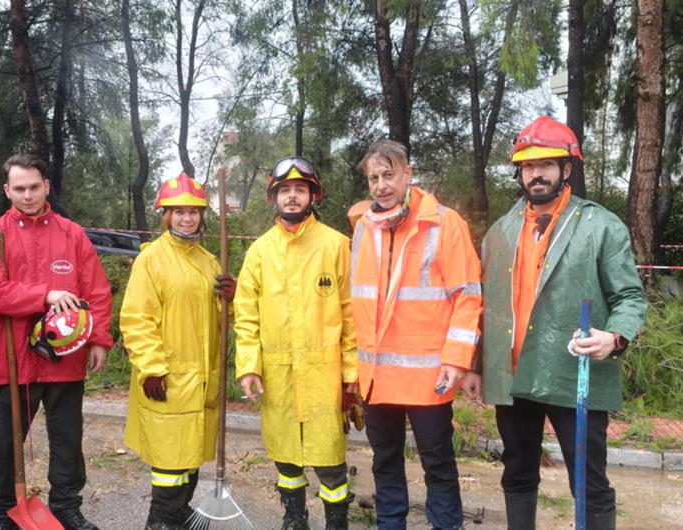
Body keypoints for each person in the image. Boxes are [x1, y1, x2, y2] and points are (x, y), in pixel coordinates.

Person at [462, 116, 647, 530]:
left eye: (546, 164)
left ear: (566, 169)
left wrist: (614, 336)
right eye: (528, 165)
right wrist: (475, 364)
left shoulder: (600, 225)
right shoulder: (499, 233)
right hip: (514, 376)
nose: (536, 174)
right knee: (517, 471)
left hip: (573, 371)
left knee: (589, 482)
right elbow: (486, 306)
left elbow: (629, 296)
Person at [0, 154, 114, 530]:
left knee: (68, 438)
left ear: (46, 186)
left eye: (35, 187)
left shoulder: (72, 233)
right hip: (11, 358)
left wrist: (98, 339)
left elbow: (97, 291)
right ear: (7, 191)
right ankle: (3, 512)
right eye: (19, 188)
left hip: (65, 357)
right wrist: (45, 295)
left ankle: (66, 506)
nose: (28, 195)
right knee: (7, 442)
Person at [350, 140, 482, 530]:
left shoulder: (444, 223)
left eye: (388, 175)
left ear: (408, 174)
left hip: (429, 377)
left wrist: (458, 360)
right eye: (373, 178)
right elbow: (357, 301)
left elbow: (467, 295)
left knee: (438, 464)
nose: (381, 185)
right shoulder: (363, 228)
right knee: (384, 463)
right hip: (376, 377)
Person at [234, 156, 358, 530]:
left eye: (299, 189)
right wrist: (249, 366)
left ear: (313, 195)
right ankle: (294, 519)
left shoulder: (337, 246)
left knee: (329, 459)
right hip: (278, 374)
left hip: (324, 375)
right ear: (272, 197)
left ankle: (336, 522)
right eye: (285, 190)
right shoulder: (260, 252)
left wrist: (352, 373)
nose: (292, 196)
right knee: (286, 458)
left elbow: (352, 313)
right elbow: (246, 316)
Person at [120, 173, 236, 530]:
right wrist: (151, 368)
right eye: (179, 212)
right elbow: (137, 318)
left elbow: (221, 322)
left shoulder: (209, 262)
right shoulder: (152, 259)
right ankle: (160, 520)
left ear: (202, 216)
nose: (187, 219)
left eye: (194, 212)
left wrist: (232, 299)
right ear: (166, 216)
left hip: (201, 380)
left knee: (190, 454)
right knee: (170, 459)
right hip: (168, 378)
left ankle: (179, 514)